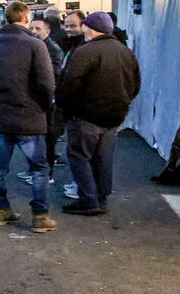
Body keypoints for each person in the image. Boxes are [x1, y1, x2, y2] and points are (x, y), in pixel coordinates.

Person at [0, 1, 58, 232]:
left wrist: (0, 96)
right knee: (39, 168)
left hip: (3, 113)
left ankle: (1, 209)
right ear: (25, 18)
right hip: (31, 116)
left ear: (6, 18)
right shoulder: (35, 45)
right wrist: (41, 106)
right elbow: (46, 83)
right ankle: (40, 215)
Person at [57, 11, 141, 216]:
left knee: (79, 156)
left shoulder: (85, 51)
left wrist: (64, 108)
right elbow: (136, 84)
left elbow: (70, 84)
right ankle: (101, 198)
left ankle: (88, 199)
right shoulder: (125, 52)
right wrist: (123, 103)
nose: (83, 30)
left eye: (85, 26)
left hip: (87, 116)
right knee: (103, 158)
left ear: (92, 29)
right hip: (114, 116)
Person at [26, 18, 64, 187]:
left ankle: (46, 174)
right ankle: (34, 171)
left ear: (47, 31)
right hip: (37, 101)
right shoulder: (34, 47)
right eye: (31, 27)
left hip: (49, 102)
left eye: (38, 28)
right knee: (35, 139)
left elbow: (53, 77)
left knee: (47, 139)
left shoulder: (52, 50)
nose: (33, 31)